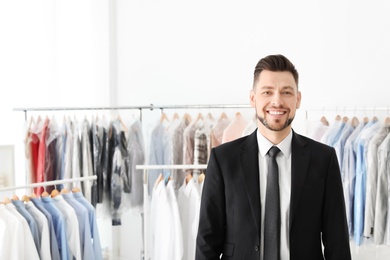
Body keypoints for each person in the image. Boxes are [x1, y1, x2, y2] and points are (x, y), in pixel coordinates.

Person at [195, 54, 351, 260]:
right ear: (253, 98)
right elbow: (207, 241)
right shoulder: (223, 160)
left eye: (286, 92)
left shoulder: (324, 159)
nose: (277, 101)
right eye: (267, 92)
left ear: (298, 99)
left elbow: (337, 243)